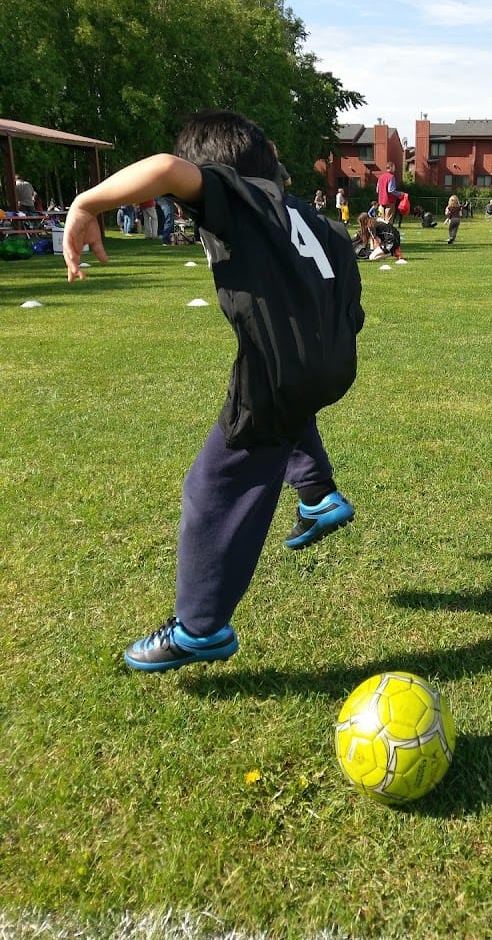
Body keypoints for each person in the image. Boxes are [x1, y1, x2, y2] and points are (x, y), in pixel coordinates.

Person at [61, 110, 364, 672]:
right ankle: (318, 494)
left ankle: (200, 628)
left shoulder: (236, 196)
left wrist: (87, 204)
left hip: (283, 370)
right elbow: (349, 297)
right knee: (287, 402)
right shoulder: (313, 219)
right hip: (333, 360)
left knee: (213, 485)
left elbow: (167, 168)